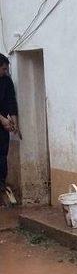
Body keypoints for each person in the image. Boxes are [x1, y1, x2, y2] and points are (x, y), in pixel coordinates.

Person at [0, 53, 19, 191]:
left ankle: (1, 183)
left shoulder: (6, 81)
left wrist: (14, 121)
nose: (6, 72)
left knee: (2, 154)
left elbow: (11, 101)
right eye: (3, 69)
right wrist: (2, 119)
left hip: (2, 126)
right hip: (1, 120)